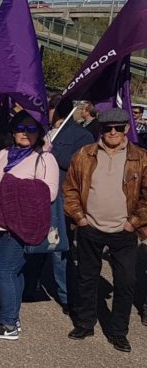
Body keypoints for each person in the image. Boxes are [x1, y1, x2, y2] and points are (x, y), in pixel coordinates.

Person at [64, 108, 147, 353]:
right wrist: (80, 218)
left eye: (118, 128)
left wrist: (133, 222)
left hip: (124, 230)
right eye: (107, 128)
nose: (113, 132)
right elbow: (70, 190)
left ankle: (118, 331)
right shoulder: (84, 154)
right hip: (89, 226)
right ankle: (85, 323)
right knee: (87, 278)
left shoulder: (141, 158)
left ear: (127, 129)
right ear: (101, 129)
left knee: (125, 281)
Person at [0, 111, 59, 341]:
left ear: (39, 133)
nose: (25, 133)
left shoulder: (44, 158)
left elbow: (49, 193)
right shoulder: (5, 153)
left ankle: (9, 324)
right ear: (13, 132)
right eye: (20, 128)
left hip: (20, 225)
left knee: (5, 270)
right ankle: (9, 315)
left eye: (31, 129)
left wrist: (11, 187)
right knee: (13, 271)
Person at [23, 95, 93, 314]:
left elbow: (79, 166)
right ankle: (29, 287)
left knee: (59, 251)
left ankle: (67, 297)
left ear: (57, 109)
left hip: (61, 201)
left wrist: (53, 150)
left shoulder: (82, 135)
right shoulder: (41, 130)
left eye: (49, 108)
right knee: (34, 245)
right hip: (37, 199)